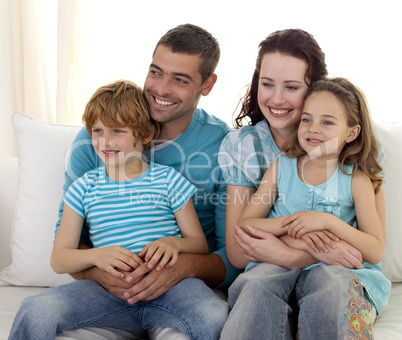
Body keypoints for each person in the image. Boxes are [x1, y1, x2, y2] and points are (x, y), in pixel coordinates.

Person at [10, 24, 237, 340]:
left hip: (178, 288)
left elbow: (230, 256)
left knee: (215, 318)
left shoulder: (222, 148)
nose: (161, 88)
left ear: (207, 84)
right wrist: (99, 269)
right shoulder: (90, 148)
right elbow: (66, 250)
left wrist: (181, 264)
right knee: (37, 311)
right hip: (107, 293)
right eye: (155, 72)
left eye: (180, 79)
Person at [218, 29, 387, 338]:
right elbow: (242, 239)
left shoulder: (355, 170)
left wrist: (320, 229)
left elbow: (373, 248)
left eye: (292, 87)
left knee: (335, 290)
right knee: (256, 286)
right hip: (272, 268)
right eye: (267, 84)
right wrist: (302, 248)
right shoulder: (273, 163)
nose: (277, 98)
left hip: (335, 273)